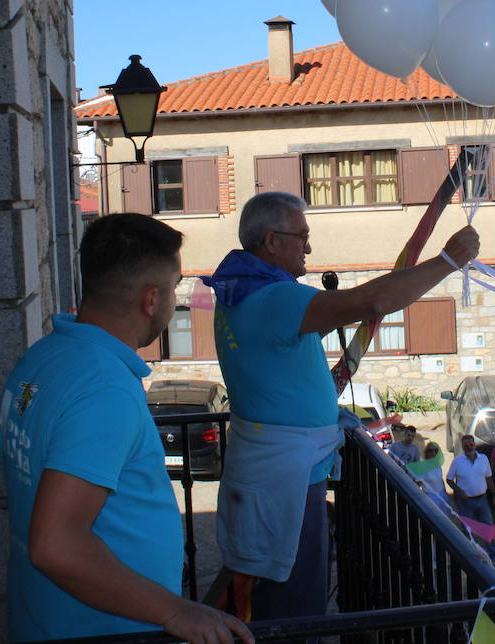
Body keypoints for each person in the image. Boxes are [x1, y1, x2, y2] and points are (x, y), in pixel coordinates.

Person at [206, 191, 480, 622]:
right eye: (302, 237)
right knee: (291, 605)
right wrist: (448, 260)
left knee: (262, 582)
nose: (309, 248)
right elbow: (369, 303)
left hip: (278, 466)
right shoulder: (275, 299)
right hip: (286, 474)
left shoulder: (244, 292)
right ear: (273, 241)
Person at [0, 214, 253, 643]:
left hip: (48, 620)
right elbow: (55, 544)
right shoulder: (103, 388)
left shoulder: (47, 355)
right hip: (104, 630)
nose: (175, 300)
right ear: (151, 299)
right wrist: (175, 611)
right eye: (174, 288)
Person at [447, 434, 495, 557]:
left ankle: (493, 556)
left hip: (482, 499)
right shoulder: (457, 462)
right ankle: (470, 556)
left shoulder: (484, 459)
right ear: (463, 447)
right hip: (465, 502)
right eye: (466, 445)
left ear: (474, 445)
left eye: (471, 444)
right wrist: (459, 491)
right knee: (467, 530)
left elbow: (489, 478)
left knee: (488, 528)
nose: (469, 447)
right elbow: (449, 479)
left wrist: (494, 495)